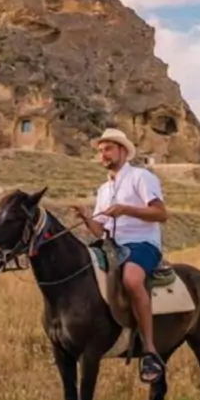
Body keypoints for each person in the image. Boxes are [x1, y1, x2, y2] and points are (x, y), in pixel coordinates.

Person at [69, 128, 169, 384]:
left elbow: (160, 214)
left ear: (123, 151)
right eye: (101, 150)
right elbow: (101, 229)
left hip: (142, 243)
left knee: (132, 280)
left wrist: (126, 210)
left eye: (108, 149)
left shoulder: (141, 177)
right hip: (112, 245)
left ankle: (150, 350)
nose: (103, 154)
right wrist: (86, 218)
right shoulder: (103, 190)